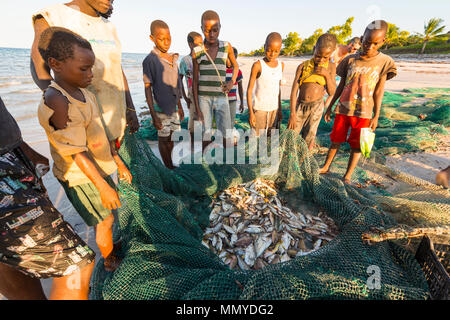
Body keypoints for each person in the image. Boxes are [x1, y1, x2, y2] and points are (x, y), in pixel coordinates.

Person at [37, 28, 132, 272]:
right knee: (105, 218)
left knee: (109, 212)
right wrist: (102, 186)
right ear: (55, 64)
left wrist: (117, 162)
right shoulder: (57, 100)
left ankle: (109, 243)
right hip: (80, 176)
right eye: (83, 69)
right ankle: (109, 260)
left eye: (91, 68)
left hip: (96, 168)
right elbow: (75, 152)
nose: (90, 74)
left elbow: (101, 129)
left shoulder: (85, 93)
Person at [0, 96, 96, 300]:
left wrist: (20, 147)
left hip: (11, 155)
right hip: (4, 171)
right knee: (76, 263)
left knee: (15, 257)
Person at [31, 0, 139, 149]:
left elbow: (116, 68)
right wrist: (62, 107)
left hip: (114, 118)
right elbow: (39, 67)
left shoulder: (109, 26)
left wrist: (130, 107)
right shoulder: (53, 16)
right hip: (81, 123)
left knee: (115, 166)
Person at [319, 20, 397, 184]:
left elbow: (379, 90)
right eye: (367, 42)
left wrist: (376, 115)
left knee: (357, 145)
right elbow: (341, 85)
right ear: (362, 39)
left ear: (383, 42)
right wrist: (331, 106)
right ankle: (326, 166)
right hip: (343, 109)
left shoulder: (385, 62)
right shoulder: (349, 60)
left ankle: (347, 175)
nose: (370, 47)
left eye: (375, 44)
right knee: (336, 140)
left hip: (364, 112)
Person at [192, 10, 240, 148]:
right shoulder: (197, 51)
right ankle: (206, 162)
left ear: (220, 28)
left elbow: (236, 66)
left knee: (226, 134)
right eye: (207, 31)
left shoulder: (226, 46)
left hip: (221, 97)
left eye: (215, 30)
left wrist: (231, 82)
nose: (211, 34)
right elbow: (195, 81)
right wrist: (197, 108)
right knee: (205, 135)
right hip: (203, 98)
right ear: (201, 29)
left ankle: (226, 163)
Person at [143, 20, 185, 170]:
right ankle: (168, 166)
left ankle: (171, 162)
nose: (166, 42)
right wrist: (153, 115)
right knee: (163, 138)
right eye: (161, 39)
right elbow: (147, 88)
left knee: (173, 137)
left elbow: (177, 86)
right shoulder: (150, 60)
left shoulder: (174, 59)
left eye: (169, 38)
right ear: (152, 38)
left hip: (173, 108)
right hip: (160, 109)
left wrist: (180, 106)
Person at [288, 34, 337, 150]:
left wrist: (326, 75)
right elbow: (294, 91)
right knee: (291, 136)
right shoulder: (303, 66)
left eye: (325, 57)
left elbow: (332, 91)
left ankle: (302, 162)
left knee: (309, 137)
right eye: (318, 56)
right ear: (314, 49)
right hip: (300, 105)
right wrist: (292, 114)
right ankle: (289, 162)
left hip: (316, 107)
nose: (321, 60)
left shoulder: (330, 67)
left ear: (332, 54)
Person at [247, 32, 284, 136]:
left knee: (271, 138)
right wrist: (251, 113)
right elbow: (249, 90)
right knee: (256, 139)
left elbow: (278, 89)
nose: (272, 54)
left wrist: (280, 109)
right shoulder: (258, 65)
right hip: (260, 109)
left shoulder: (281, 66)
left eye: (276, 51)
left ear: (280, 50)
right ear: (264, 47)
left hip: (274, 109)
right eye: (269, 50)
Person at [179, 32, 203, 136]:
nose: (201, 46)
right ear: (190, 44)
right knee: (193, 127)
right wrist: (185, 97)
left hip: (205, 95)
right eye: (199, 44)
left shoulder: (205, 59)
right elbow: (179, 80)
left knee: (205, 125)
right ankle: (193, 148)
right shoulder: (185, 60)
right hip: (192, 97)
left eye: (202, 43)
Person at [226, 47, 244, 129]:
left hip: (232, 101)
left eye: (233, 59)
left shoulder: (237, 71)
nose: (229, 61)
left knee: (231, 121)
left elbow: (240, 88)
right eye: (227, 59)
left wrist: (242, 103)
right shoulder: (221, 71)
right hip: (221, 101)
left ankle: (229, 138)